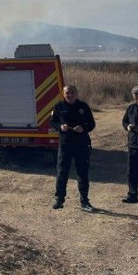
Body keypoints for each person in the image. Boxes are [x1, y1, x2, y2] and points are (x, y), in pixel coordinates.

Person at [49, 84, 96, 212]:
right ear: (63, 94)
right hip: (65, 144)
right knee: (62, 172)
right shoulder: (59, 107)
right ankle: (59, 199)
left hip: (81, 144)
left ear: (76, 94)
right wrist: (60, 127)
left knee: (82, 173)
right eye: (67, 92)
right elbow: (52, 122)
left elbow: (92, 124)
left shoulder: (83, 107)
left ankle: (84, 201)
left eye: (72, 92)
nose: (69, 95)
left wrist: (83, 128)